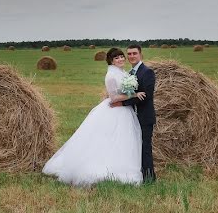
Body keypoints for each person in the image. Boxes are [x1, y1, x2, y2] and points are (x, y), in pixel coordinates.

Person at [42, 48, 144, 186]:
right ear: (111, 61)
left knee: (123, 140)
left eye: (121, 57)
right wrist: (133, 95)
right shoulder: (111, 75)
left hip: (125, 110)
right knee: (108, 139)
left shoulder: (123, 73)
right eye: (116, 58)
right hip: (115, 110)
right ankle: (105, 168)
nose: (120, 59)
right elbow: (113, 98)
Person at [110, 43, 156, 182]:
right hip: (131, 117)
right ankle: (136, 175)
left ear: (141, 54)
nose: (131, 56)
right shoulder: (129, 74)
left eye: (134, 53)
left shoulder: (147, 72)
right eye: (129, 54)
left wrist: (122, 103)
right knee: (133, 148)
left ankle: (149, 179)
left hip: (144, 117)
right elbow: (128, 93)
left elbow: (145, 96)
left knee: (145, 148)